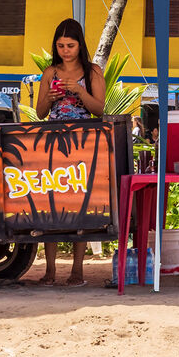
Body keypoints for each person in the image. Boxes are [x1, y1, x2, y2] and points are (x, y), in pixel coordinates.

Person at [35, 18, 106, 287]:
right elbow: (41, 113)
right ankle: (50, 270)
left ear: (80, 45)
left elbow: (99, 109)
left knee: (80, 204)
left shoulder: (93, 72)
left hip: (83, 142)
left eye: (71, 45)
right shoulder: (49, 73)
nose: (66, 50)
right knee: (50, 203)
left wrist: (78, 91)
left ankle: (78, 269)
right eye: (61, 45)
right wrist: (50, 98)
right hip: (53, 142)